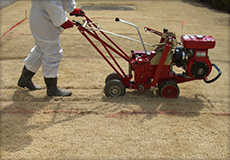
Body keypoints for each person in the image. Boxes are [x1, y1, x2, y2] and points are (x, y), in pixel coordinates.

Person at [17, 0, 85, 96]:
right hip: (43, 19)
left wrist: (72, 8)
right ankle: (52, 89)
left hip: (44, 17)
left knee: (40, 50)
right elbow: (51, 4)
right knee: (53, 53)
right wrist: (62, 21)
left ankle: (25, 78)